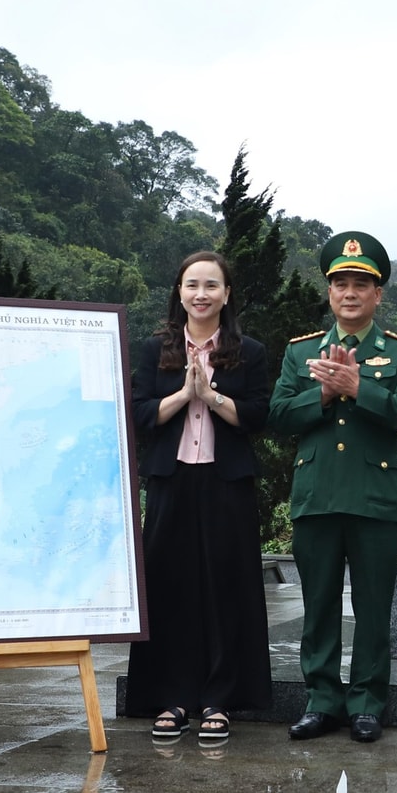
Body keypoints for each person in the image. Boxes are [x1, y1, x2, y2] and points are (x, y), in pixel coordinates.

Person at [270, 232, 397, 744]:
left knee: (374, 609)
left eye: (361, 284)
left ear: (378, 294)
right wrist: (323, 392)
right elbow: (277, 416)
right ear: (329, 292)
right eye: (341, 284)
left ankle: (366, 704)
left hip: (375, 499)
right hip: (317, 496)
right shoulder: (301, 352)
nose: (350, 293)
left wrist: (359, 388)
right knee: (318, 606)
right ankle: (321, 702)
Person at [125, 250, 273, 745]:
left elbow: (257, 415)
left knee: (226, 587)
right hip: (171, 480)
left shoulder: (249, 351)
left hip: (226, 482)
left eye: (212, 285)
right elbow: (140, 414)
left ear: (227, 295)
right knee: (170, 586)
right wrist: (184, 395)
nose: (201, 294)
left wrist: (212, 398)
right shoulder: (155, 349)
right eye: (192, 285)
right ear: (180, 293)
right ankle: (172, 699)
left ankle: (219, 700)